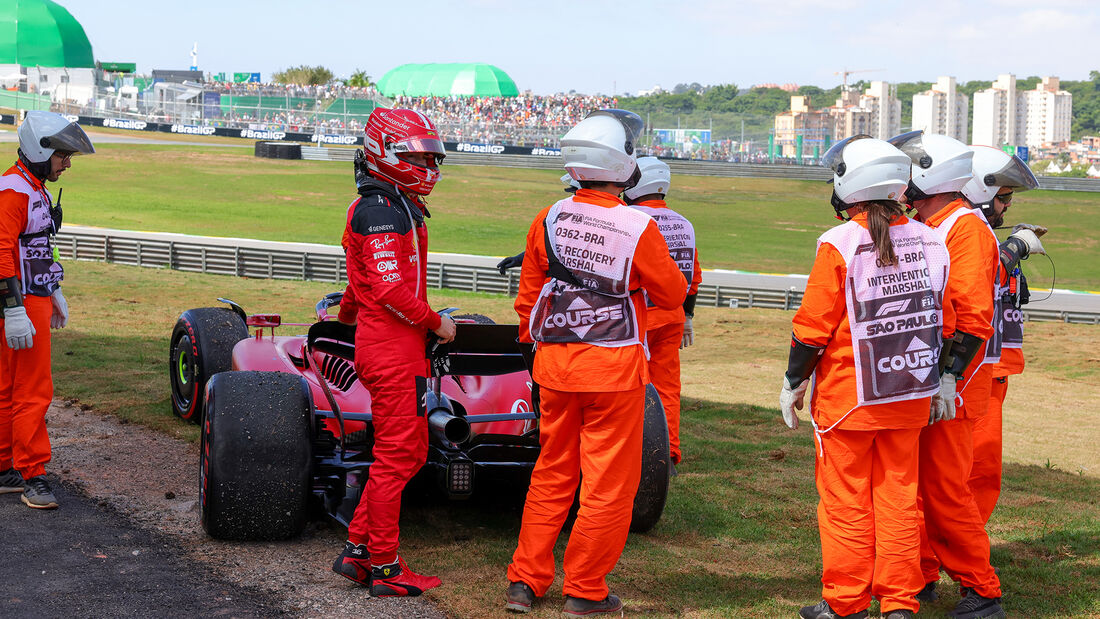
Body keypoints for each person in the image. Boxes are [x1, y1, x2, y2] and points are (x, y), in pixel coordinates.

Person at [504, 110, 686, 616]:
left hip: (555, 367)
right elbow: (673, 290)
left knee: (551, 473)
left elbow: (529, 297)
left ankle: (525, 580)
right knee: (607, 485)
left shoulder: (549, 217)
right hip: (614, 371)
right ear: (622, 165)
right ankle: (584, 589)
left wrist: (533, 351)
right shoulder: (637, 225)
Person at [780, 136, 949, 619]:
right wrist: (942, 378)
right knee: (898, 500)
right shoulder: (932, 240)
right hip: (910, 392)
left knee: (845, 503)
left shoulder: (839, 244)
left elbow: (812, 329)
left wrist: (793, 383)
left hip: (848, 400)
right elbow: (948, 317)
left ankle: (846, 603)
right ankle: (899, 602)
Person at [890, 131, 1035, 619]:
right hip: (931, 379)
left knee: (947, 489)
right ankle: (921, 575)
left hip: (957, 384)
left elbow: (972, 317)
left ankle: (981, 588)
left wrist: (949, 378)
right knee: (917, 489)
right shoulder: (936, 223)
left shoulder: (964, 229)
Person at [330, 107, 457, 597]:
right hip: (391, 349)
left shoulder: (391, 202)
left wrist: (343, 315)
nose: (429, 167)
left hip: (392, 346)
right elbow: (387, 289)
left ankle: (360, 551)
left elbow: (359, 283)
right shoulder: (381, 209)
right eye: (418, 156)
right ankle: (384, 565)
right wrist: (438, 322)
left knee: (409, 452)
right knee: (397, 455)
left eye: (431, 158)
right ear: (386, 152)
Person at [0, 111, 94, 509]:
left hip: (29, 297)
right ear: (41, 150)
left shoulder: (28, 185)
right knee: (33, 390)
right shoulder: (15, 191)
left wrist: (53, 289)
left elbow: (33, 247)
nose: (67, 163)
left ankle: (5, 466)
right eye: (63, 156)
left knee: (8, 387)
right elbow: (3, 252)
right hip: (19, 302)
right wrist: (15, 309)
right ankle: (33, 474)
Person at [960, 146, 1045, 524]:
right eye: (1003, 196)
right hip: (972, 368)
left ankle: (964, 544)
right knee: (973, 467)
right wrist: (1015, 247)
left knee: (984, 468)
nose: (1007, 205)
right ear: (979, 189)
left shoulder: (978, 232)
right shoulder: (963, 232)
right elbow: (978, 279)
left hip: (993, 366)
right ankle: (953, 549)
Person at [625, 156, 701, 466]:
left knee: (630, 387)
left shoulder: (628, 218)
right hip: (673, 316)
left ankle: (633, 452)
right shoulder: (684, 222)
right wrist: (688, 317)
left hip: (637, 317)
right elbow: (692, 277)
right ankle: (667, 454)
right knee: (667, 387)